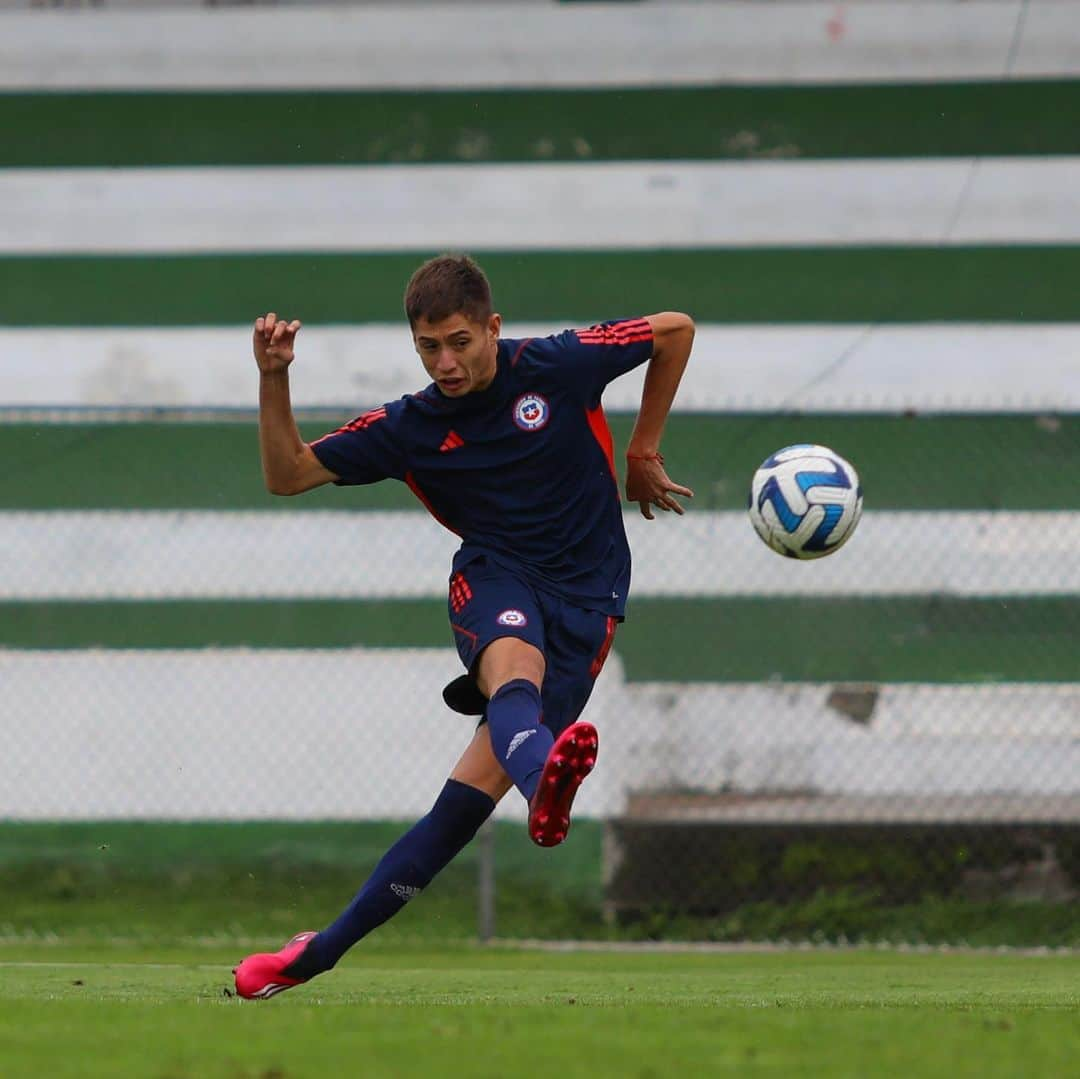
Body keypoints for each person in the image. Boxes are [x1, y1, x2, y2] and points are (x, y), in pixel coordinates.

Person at [234, 254, 694, 999]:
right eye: (428, 348)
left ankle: (313, 955)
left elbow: (675, 331)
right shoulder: (411, 426)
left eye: (459, 342)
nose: (445, 362)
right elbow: (287, 473)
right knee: (514, 666)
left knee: (456, 813)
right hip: (497, 574)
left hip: (589, 597)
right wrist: (274, 374)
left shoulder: (558, 364)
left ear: (493, 328)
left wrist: (642, 448)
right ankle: (546, 776)